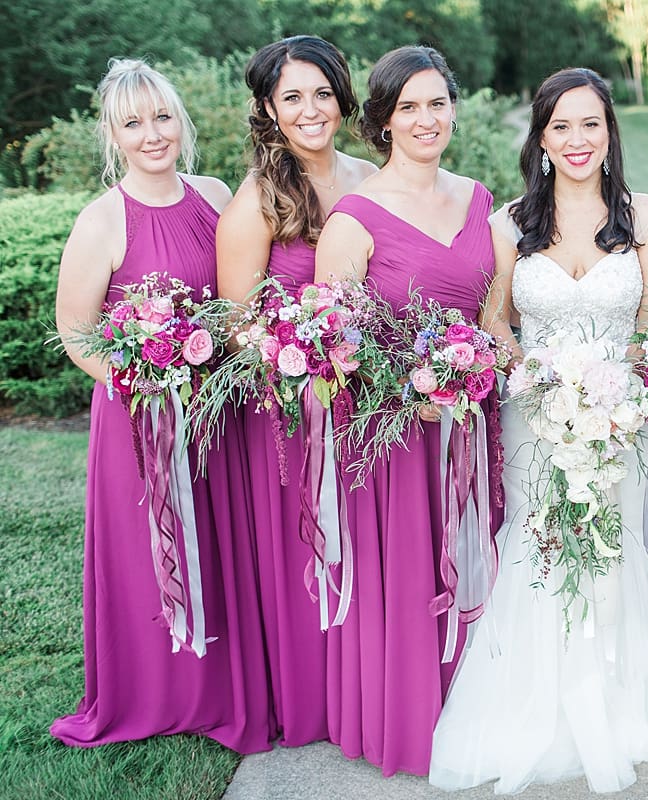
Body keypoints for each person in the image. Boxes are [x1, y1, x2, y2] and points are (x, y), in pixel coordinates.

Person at [429, 67, 648, 794]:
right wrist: (539, 379)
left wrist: (612, 391)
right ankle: (537, 705)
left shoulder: (646, 217)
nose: (577, 140)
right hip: (535, 412)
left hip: (619, 413)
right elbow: (495, 318)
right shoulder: (509, 223)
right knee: (541, 542)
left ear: (609, 131)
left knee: (614, 544)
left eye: (591, 124)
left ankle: (613, 701)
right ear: (542, 138)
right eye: (562, 126)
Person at [51, 58, 271, 751]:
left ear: (182, 122)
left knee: (222, 541)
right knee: (151, 556)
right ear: (112, 136)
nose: (153, 134)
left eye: (163, 117)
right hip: (143, 421)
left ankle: (226, 685)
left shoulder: (213, 193)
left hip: (222, 417)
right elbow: (76, 333)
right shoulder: (102, 220)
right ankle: (159, 691)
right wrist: (146, 383)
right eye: (134, 122)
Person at [313, 45, 495, 777]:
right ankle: (408, 721)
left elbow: (496, 313)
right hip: (393, 436)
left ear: (454, 108)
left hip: (472, 424)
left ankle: (480, 704)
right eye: (407, 107)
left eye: (437, 103)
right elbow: (332, 342)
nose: (426, 119)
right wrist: (408, 391)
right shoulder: (354, 218)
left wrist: (478, 370)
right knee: (410, 576)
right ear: (382, 121)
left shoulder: (481, 197)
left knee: (476, 557)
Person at [216, 35, 376, 748]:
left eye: (321, 93)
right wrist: (300, 362)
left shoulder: (373, 177)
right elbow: (237, 321)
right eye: (291, 97)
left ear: (342, 98)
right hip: (289, 412)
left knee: (368, 550)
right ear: (268, 110)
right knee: (304, 554)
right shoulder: (257, 199)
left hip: (371, 402)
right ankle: (311, 702)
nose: (309, 110)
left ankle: (368, 689)